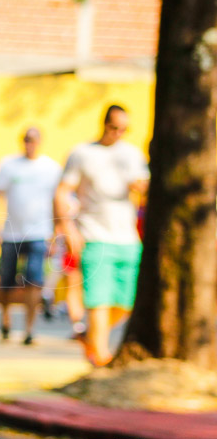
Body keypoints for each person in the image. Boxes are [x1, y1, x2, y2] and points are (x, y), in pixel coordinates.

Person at [54, 105, 149, 367]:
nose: (119, 133)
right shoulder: (82, 153)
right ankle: (101, 358)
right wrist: (67, 228)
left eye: (124, 129)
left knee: (126, 302)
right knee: (99, 300)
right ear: (104, 124)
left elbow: (144, 186)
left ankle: (89, 337)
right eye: (114, 127)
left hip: (127, 237)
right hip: (94, 235)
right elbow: (63, 192)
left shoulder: (132, 154)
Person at [0, 127, 62, 345]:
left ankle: (30, 329)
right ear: (22, 141)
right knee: (6, 281)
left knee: (34, 281)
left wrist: (57, 233)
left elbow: (58, 201)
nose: (30, 144)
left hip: (39, 234)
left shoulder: (51, 168)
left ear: (40, 142)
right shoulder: (9, 165)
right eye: (27, 140)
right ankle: (5, 320)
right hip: (12, 233)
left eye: (34, 140)